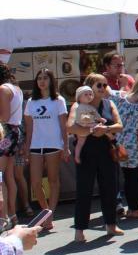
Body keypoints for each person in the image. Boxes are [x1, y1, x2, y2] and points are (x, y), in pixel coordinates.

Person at [70, 75, 124, 243]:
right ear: (89, 87)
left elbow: (119, 126)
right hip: (86, 152)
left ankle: (111, 224)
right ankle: (79, 229)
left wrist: (105, 128)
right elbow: (70, 127)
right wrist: (91, 131)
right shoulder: (78, 105)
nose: (102, 87)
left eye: (104, 84)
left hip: (106, 151)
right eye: (98, 85)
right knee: (84, 190)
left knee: (110, 188)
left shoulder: (109, 103)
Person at [23, 69, 67, 230]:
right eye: (39, 78)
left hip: (54, 143)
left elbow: (63, 125)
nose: (42, 81)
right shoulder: (31, 102)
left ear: (51, 81)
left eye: (45, 78)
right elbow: (29, 127)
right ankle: (45, 211)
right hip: (35, 144)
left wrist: (66, 146)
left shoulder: (58, 100)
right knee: (35, 183)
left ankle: (50, 214)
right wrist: (27, 147)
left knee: (53, 180)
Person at [115, 73, 138, 220]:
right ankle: (135, 209)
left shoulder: (123, 100)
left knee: (129, 176)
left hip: (122, 143)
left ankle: (132, 208)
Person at [0, 64, 25, 228]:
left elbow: (4, 116)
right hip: (15, 132)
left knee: (1, 176)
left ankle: (4, 217)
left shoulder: (3, 89)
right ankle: (12, 215)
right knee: (8, 175)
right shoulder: (16, 88)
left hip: (5, 131)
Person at [68, 85, 100, 165]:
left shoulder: (90, 106)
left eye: (90, 94)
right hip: (83, 123)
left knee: (81, 142)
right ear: (79, 97)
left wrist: (100, 119)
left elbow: (95, 114)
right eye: (86, 94)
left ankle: (77, 156)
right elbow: (79, 118)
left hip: (88, 123)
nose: (89, 96)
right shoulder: (78, 106)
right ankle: (77, 156)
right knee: (81, 142)